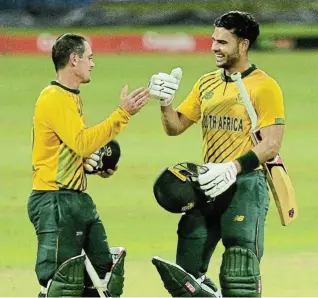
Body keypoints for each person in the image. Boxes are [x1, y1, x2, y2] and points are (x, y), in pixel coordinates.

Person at [148, 11, 285, 297]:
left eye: (223, 42)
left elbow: (271, 144)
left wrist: (233, 168)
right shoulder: (206, 83)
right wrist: (165, 103)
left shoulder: (264, 86)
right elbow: (175, 127)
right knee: (186, 274)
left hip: (246, 184)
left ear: (243, 45)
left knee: (239, 271)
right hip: (207, 182)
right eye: (213, 40)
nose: (214, 47)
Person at [28, 33, 150, 297]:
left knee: (103, 271)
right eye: (89, 58)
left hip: (73, 198)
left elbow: (68, 151)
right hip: (54, 199)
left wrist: (93, 166)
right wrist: (123, 114)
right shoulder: (54, 97)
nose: (93, 64)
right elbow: (82, 143)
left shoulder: (70, 97)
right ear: (74, 59)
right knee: (62, 281)